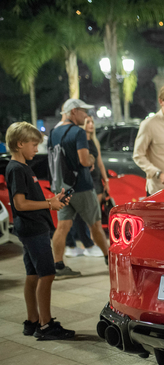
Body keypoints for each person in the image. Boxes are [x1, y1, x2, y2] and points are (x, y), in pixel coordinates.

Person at [5, 122, 74, 339]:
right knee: (48, 274)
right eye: (34, 144)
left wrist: (53, 200)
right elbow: (20, 204)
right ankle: (46, 325)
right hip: (33, 230)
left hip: (32, 229)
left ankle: (32, 320)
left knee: (33, 274)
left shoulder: (22, 167)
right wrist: (48, 204)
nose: (37, 149)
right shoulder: (17, 169)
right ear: (20, 144)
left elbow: (29, 200)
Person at [50, 99, 110, 279]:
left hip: (62, 188)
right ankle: (109, 259)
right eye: (83, 111)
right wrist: (91, 159)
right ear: (74, 111)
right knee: (95, 225)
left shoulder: (53, 132)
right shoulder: (78, 132)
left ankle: (58, 264)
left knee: (62, 227)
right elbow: (84, 161)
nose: (85, 115)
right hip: (82, 187)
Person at [65, 115, 108, 258]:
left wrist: (105, 178)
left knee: (95, 214)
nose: (91, 124)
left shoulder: (94, 141)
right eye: (87, 122)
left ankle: (91, 243)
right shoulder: (80, 140)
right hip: (86, 180)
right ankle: (88, 243)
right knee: (88, 215)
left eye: (92, 122)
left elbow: (100, 161)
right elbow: (82, 161)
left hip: (96, 179)